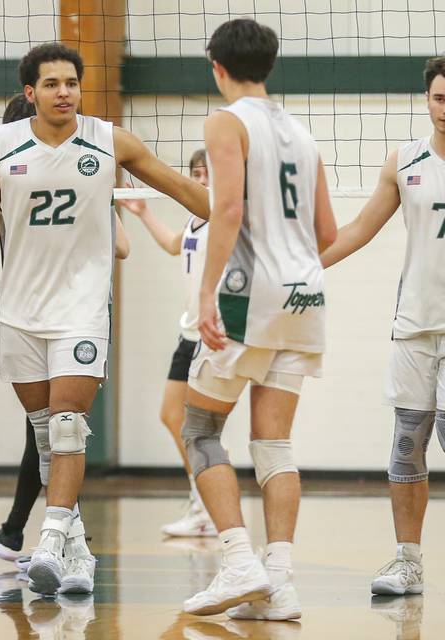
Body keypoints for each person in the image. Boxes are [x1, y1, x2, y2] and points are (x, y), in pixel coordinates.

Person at [0, 42, 209, 596]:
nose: (65, 92)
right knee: (44, 438)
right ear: (30, 92)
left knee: (67, 427)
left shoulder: (110, 141)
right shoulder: (1, 144)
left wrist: (237, 212)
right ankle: (78, 551)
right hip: (19, 312)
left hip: (81, 310)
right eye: (53, 84)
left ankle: (51, 543)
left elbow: (181, 188)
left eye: (72, 83)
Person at [180, 19, 336, 619]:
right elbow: (328, 233)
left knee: (198, 430)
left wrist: (207, 295)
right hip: (307, 294)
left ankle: (238, 561)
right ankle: (281, 584)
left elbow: (227, 208)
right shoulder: (303, 132)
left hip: (251, 292)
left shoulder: (225, 121)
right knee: (273, 442)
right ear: (270, 64)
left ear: (216, 67)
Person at [0, 93, 131, 567]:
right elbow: (122, 247)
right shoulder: (82, 175)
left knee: (51, 435)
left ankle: (47, 538)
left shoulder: (12, 183)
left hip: (47, 316)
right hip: (46, 316)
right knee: (52, 435)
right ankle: (65, 543)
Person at [320, 56, 445, 597]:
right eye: (440, 98)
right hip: (415, 326)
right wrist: (301, 265)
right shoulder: (405, 160)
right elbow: (360, 229)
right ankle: (407, 562)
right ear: (427, 99)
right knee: (405, 446)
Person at [119, 149, 216, 537]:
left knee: (201, 427)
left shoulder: (228, 219)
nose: (203, 179)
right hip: (188, 334)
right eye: (196, 172)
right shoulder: (195, 221)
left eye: (210, 172)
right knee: (171, 416)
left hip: (211, 336)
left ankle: (209, 507)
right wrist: (143, 212)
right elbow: (175, 244)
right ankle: (202, 501)